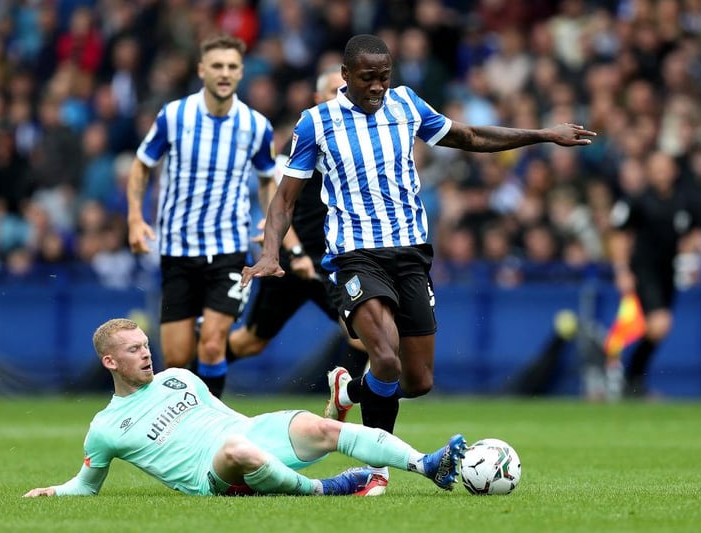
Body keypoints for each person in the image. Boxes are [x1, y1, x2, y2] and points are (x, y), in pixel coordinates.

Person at [241, 34, 595, 495]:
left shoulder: (407, 105)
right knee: (383, 358)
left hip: (410, 256)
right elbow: (284, 200)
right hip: (355, 256)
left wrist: (543, 134)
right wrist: (271, 252)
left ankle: (348, 393)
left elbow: (469, 136)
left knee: (419, 379)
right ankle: (376, 471)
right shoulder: (316, 124)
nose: (376, 87)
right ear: (345, 77)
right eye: (367, 78)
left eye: (383, 77)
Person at [22, 318, 467, 498]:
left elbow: (229, 418)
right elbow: (87, 486)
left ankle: (428, 465)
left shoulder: (178, 376)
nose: (145, 353)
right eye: (133, 349)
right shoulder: (105, 427)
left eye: (145, 345)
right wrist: (53, 492)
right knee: (239, 451)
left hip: (249, 432)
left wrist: (277, 431)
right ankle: (327, 489)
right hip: (210, 472)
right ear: (109, 361)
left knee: (318, 426)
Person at [126, 34, 277, 398]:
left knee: (212, 344)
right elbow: (142, 166)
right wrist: (134, 217)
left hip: (228, 251)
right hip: (178, 250)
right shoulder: (175, 116)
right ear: (202, 70)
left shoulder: (256, 125)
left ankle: (212, 429)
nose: (224, 73)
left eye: (231, 67)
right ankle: (185, 427)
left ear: (240, 73)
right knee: (177, 360)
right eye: (217, 66)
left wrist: (270, 222)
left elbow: (268, 179)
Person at [226, 65, 369, 383]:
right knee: (251, 342)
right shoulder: (301, 140)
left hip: (336, 260)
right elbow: (278, 203)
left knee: (363, 335)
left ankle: (343, 403)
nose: (342, 98)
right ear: (317, 99)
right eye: (334, 91)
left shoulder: (360, 140)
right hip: (292, 260)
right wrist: (296, 251)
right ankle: (194, 368)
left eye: (347, 92)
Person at [609, 150, 701, 398]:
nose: (661, 173)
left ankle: (628, 377)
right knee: (659, 324)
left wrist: (694, 250)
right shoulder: (638, 200)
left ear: (674, 171)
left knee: (660, 327)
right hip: (644, 269)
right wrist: (622, 271)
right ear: (648, 171)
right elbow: (619, 235)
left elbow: (694, 233)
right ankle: (630, 378)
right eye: (656, 167)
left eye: (665, 167)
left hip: (668, 270)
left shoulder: (686, 200)